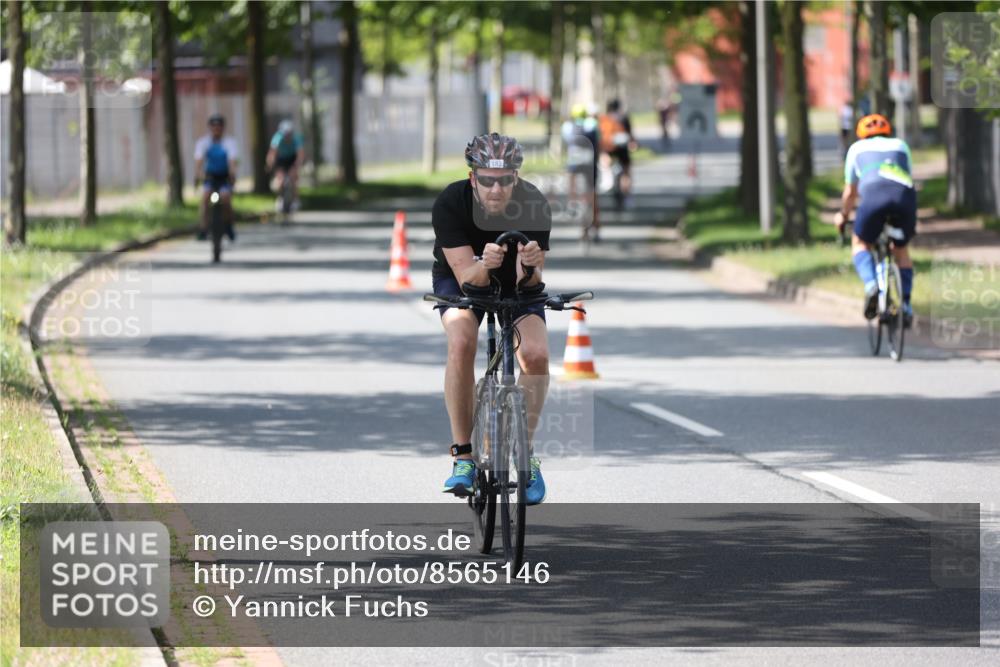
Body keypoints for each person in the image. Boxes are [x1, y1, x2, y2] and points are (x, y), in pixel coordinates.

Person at [432, 132, 552, 504]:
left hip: (512, 281)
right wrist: (485, 264)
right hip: (462, 275)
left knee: (535, 355)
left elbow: (529, 281)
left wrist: (530, 270)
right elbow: (468, 277)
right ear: (473, 178)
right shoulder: (451, 202)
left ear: (515, 178)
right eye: (487, 180)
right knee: (462, 339)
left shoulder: (533, 202)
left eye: (504, 180)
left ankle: (526, 456)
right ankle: (463, 457)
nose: (496, 189)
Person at [835, 114, 917, 328]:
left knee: (860, 242)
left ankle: (872, 285)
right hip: (904, 198)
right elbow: (907, 177)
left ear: (861, 134)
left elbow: (850, 193)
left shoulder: (856, 149)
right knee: (902, 249)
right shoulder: (901, 145)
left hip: (873, 198)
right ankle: (906, 305)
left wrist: (842, 216)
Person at [193, 114, 238, 241]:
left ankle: (228, 225)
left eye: (219, 126)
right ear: (210, 128)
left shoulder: (229, 142)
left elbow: (232, 161)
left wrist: (232, 175)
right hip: (210, 177)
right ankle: (203, 228)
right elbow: (199, 161)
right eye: (214, 126)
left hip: (224, 177)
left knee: (226, 198)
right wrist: (197, 175)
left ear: (223, 128)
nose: (216, 129)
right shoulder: (203, 142)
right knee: (205, 197)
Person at [562, 103, 601, 241]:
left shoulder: (567, 126)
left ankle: (571, 201)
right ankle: (596, 226)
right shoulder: (592, 124)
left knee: (571, 179)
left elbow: (566, 142)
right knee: (593, 193)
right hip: (590, 163)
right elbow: (598, 143)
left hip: (574, 162)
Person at [598, 98, 637, 209]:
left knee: (604, 161)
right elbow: (630, 134)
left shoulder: (604, 119)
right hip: (622, 148)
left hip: (609, 148)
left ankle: (607, 178)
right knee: (626, 171)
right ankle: (628, 197)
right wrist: (633, 143)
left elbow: (600, 135)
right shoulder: (624, 117)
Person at [266, 119, 305, 210]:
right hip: (281, 159)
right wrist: (270, 164)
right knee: (280, 180)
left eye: (289, 134)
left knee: (294, 178)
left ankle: (295, 200)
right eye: (285, 134)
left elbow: (300, 155)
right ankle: (280, 198)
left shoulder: (296, 138)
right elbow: (272, 154)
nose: (287, 136)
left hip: (292, 158)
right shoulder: (277, 138)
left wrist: (297, 166)